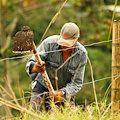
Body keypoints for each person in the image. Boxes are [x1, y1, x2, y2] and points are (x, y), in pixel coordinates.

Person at [26, 22, 87, 112]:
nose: (65, 46)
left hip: (65, 93)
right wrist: (35, 67)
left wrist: (62, 93)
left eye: (68, 44)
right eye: (63, 43)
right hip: (42, 87)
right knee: (35, 116)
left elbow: (77, 83)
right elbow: (30, 64)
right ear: (60, 35)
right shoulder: (49, 43)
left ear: (76, 39)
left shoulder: (81, 54)